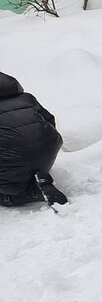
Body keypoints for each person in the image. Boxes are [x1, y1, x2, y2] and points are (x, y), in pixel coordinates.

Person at [0, 70, 69, 208]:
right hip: (46, 155)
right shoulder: (26, 98)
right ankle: (37, 177)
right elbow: (49, 120)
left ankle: (32, 192)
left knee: (5, 194)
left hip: (11, 165)